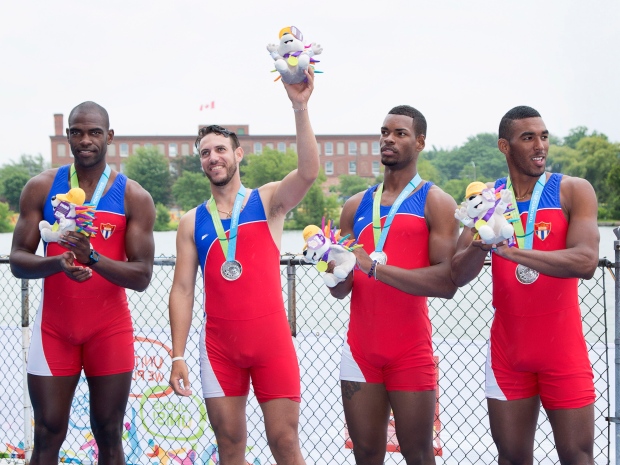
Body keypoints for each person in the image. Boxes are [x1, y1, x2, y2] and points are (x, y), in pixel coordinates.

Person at [168, 69, 319, 465]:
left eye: (220, 149)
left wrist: (300, 106)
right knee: (230, 447)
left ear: (237, 154)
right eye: (205, 152)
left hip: (271, 343)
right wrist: (177, 355)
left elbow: (308, 172)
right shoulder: (191, 222)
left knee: (284, 443)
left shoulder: (267, 202)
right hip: (219, 349)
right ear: (200, 162)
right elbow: (182, 290)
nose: (213, 157)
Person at [450, 106, 599, 465]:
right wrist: (479, 245)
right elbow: (456, 274)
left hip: (563, 350)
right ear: (505, 146)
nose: (540, 146)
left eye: (544, 136)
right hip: (508, 353)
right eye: (528, 137)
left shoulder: (572, 190)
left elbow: (586, 262)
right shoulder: (487, 200)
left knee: (577, 457)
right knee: (512, 458)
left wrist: (516, 253)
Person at [9, 101, 156, 464]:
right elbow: (17, 261)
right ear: (68, 137)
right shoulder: (42, 187)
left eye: (93, 132)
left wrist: (93, 258)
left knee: (109, 434)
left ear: (109, 137)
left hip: (109, 330)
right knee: (47, 432)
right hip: (54, 331)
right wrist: (58, 262)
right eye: (77, 132)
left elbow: (142, 276)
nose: (85, 140)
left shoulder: (134, 196)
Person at [329, 105, 459, 465]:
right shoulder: (354, 206)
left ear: (419, 143)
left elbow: (446, 282)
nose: (388, 138)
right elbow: (341, 290)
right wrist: (332, 269)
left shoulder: (436, 202)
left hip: (410, 352)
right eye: (385, 132)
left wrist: (374, 269)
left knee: (418, 454)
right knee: (366, 454)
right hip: (360, 351)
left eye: (400, 133)